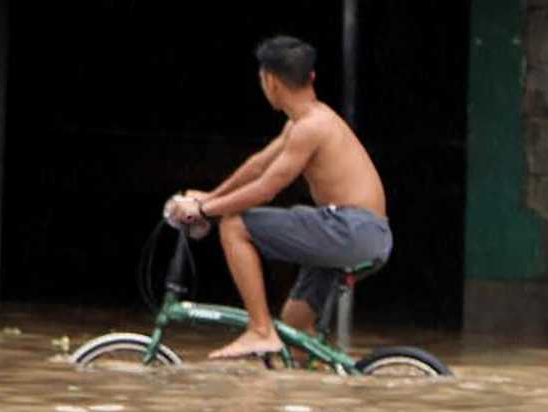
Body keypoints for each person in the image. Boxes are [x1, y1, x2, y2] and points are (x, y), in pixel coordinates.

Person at [166, 36, 390, 359]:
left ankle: (259, 330)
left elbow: (266, 188)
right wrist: (210, 197)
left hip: (351, 228)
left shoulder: (311, 127)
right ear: (310, 78)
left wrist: (206, 210)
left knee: (235, 224)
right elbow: (259, 165)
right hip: (361, 233)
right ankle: (335, 389)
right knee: (296, 331)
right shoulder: (305, 120)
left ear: (269, 80)